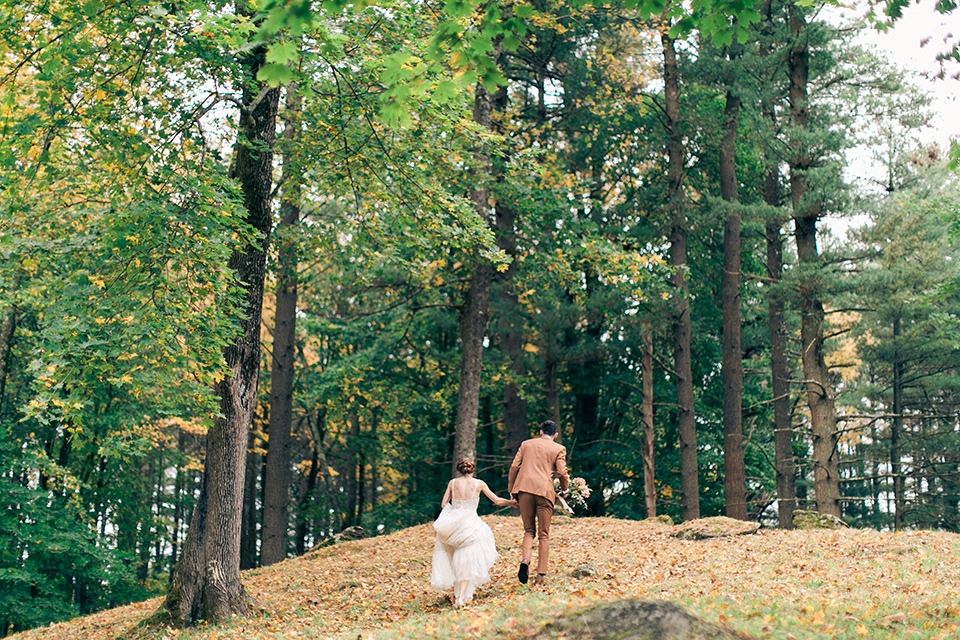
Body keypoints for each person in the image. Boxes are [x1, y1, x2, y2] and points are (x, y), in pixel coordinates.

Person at [431, 458, 517, 607]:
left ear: (459, 469)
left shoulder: (452, 483)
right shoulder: (479, 484)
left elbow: (444, 504)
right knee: (466, 561)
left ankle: (458, 595)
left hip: (454, 524)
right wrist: (511, 502)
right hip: (470, 523)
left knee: (456, 557)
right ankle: (460, 597)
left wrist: (453, 512)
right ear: (473, 469)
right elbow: (496, 501)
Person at [508, 420, 569, 586]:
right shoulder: (558, 448)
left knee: (529, 530)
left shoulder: (526, 444)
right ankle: (540, 575)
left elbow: (514, 467)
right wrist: (565, 490)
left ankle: (525, 560)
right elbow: (562, 472)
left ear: (540, 431)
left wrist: (512, 490)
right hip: (544, 492)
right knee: (544, 534)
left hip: (524, 490)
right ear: (555, 435)